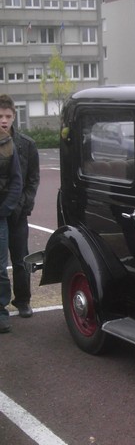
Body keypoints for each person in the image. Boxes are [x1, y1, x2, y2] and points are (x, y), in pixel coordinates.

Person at [2, 95, 39, 319]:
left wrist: (23, 204)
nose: (3, 121)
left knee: (20, 259)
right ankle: (1, 304)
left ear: (14, 116)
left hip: (18, 212)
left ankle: (23, 300)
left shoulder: (27, 144)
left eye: (7, 116)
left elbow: (32, 179)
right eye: (0, 116)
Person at [0, 94, 24, 333]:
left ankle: (1, 313)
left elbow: (17, 182)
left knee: (0, 269)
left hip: (0, 219)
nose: (3, 121)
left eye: (7, 116)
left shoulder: (9, 146)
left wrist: (4, 210)